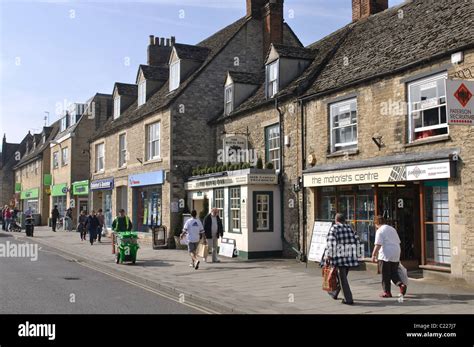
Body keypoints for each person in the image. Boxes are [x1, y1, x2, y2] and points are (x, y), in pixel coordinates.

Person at [325, 213, 360, 305]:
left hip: (339, 258)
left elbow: (331, 244)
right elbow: (357, 240)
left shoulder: (334, 228)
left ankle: (348, 299)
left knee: (342, 279)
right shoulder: (350, 228)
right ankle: (334, 293)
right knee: (342, 277)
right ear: (344, 220)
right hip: (349, 257)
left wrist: (328, 256)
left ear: (336, 220)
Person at [372, 216, 407, 298]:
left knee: (385, 274)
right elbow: (398, 241)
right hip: (396, 252)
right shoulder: (392, 229)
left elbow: (378, 244)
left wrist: (373, 255)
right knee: (394, 273)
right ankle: (401, 285)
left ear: (376, 223)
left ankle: (387, 292)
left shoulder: (380, 230)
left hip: (385, 254)